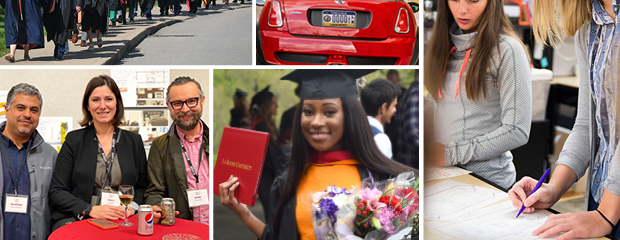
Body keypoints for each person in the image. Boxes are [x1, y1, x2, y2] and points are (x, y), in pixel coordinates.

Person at [508, 0, 620, 239]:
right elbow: (588, 125)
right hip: (603, 203)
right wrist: (554, 188)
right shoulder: (591, 29)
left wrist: (606, 215)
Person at [219, 69, 417, 240]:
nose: (315, 121)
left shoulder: (380, 179)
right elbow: (276, 237)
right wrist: (243, 214)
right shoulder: (288, 180)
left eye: (329, 112)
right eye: (308, 111)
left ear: (349, 116)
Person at [424, 0, 532, 190]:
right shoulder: (443, 46)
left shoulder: (508, 50)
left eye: (473, 0)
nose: (462, 10)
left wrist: (450, 153)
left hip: (487, 182)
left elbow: (517, 131)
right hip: (444, 176)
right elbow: (436, 102)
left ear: (491, 0)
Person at [49, 75, 148, 231]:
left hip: (123, 219)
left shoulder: (133, 141)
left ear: (117, 104)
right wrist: (90, 209)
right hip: (83, 219)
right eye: (95, 100)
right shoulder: (74, 140)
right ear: (87, 105)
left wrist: (132, 207)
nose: (103, 106)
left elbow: (143, 187)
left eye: (109, 99)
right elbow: (57, 190)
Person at [145, 76, 209, 225]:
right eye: (177, 104)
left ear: (202, 100)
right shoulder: (159, 146)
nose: (185, 109)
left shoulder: (218, 138)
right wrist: (156, 208)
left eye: (191, 101)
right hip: (183, 229)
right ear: (169, 106)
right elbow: (155, 191)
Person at [1, 83, 58, 240]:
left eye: (34, 110)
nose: (27, 114)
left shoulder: (51, 155)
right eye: (20, 108)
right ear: (6, 110)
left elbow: (57, 204)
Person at [249, 86, 280, 224]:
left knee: (273, 214)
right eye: (274, 103)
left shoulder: (268, 124)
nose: (277, 106)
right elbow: (268, 156)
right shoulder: (261, 126)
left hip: (270, 176)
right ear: (267, 106)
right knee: (272, 215)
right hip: (266, 178)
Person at [360, 78, 399, 159]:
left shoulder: (356, 128)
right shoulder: (380, 139)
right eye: (393, 106)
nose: (395, 110)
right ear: (384, 107)